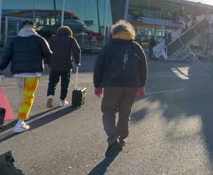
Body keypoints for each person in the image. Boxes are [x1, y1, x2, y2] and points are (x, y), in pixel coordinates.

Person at [93, 20, 147, 157]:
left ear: (114, 32)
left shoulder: (109, 46)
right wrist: (142, 84)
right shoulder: (136, 46)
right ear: (130, 32)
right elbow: (143, 67)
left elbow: (99, 65)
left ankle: (113, 140)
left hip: (112, 85)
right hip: (132, 85)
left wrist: (97, 85)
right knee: (125, 112)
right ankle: (121, 138)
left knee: (108, 111)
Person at [0, 20, 52, 133]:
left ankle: (23, 114)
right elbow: (48, 53)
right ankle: (20, 122)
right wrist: (47, 62)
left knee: (22, 94)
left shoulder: (15, 40)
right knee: (29, 96)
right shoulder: (39, 39)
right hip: (33, 73)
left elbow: (7, 55)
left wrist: (0, 68)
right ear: (34, 28)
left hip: (18, 72)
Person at [45, 26, 81, 108]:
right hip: (66, 65)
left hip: (54, 65)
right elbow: (77, 50)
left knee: (52, 82)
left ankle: (50, 96)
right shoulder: (71, 39)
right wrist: (77, 62)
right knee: (65, 84)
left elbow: (47, 50)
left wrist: (46, 62)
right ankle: (62, 101)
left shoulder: (53, 39)